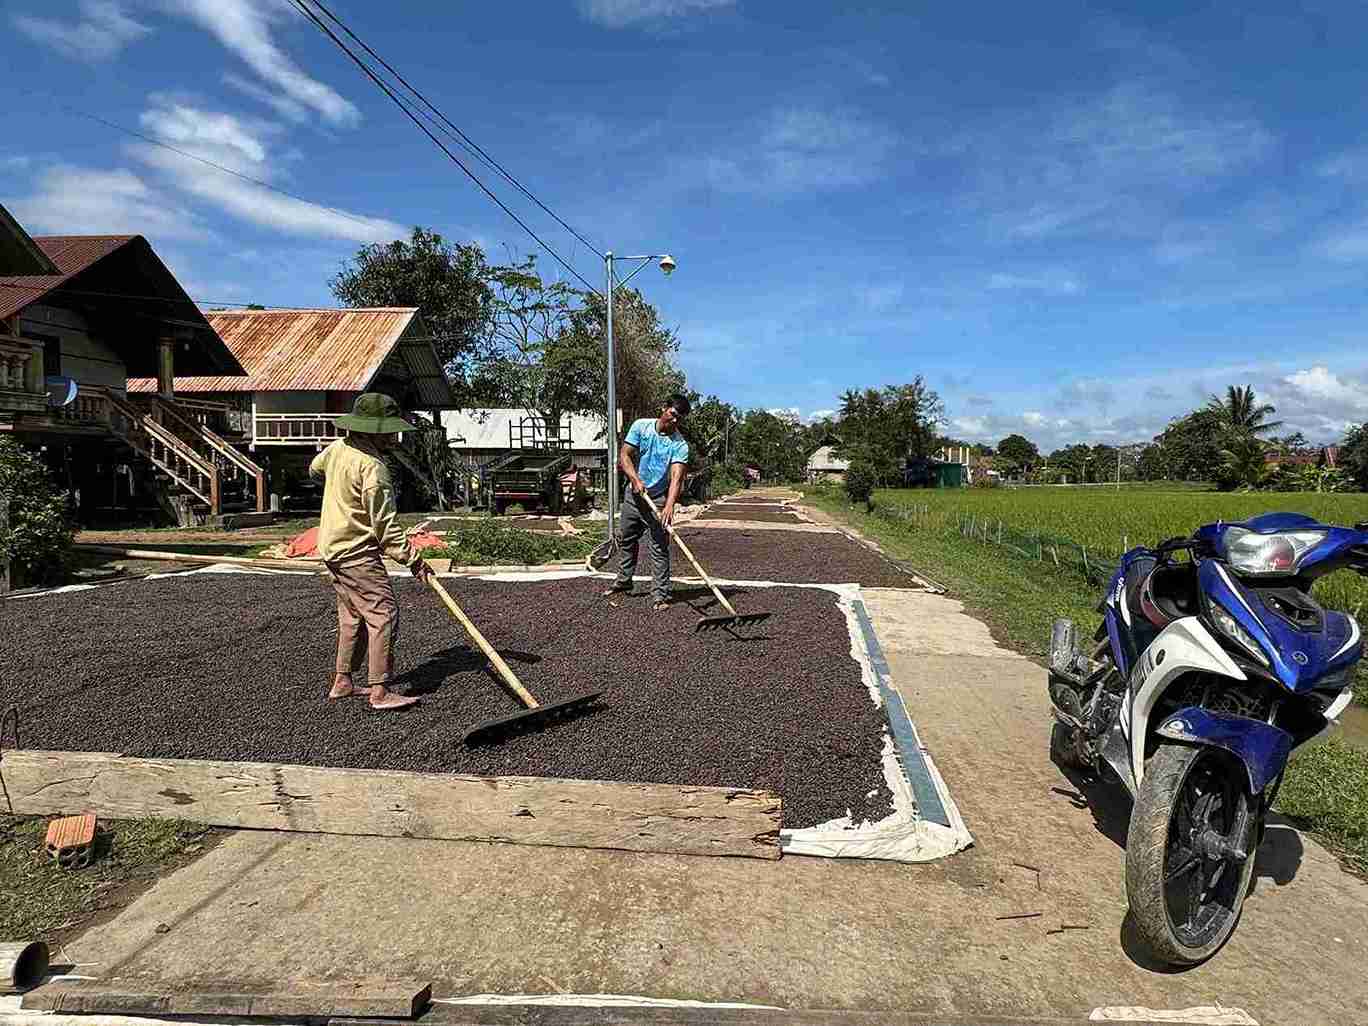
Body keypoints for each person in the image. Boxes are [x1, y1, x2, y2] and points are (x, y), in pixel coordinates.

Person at [309, 393, 432, 711]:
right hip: (356, 553)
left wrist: (340, 491)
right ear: (373, 431)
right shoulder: (373, 469)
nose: (393, 437)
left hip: (333, 549)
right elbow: (385, 527)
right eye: (389, 431)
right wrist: (414, 560)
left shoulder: (338, 448)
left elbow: (314, 470)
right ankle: (380, 691)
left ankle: (343, 681)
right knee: (383, 614)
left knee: (353, 616)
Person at [603, 394, 691, 610]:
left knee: (659, 547)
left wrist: (669, 505)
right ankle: (624, 582)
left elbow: (677, 478)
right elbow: (624, 455)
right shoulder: (641, 427)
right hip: (634, 496)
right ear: (663, 408)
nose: (675, 420)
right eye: (672, 414)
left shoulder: (680, 445)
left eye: (679, 418)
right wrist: (635, 479)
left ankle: (660, 595)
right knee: (626, 539)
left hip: (658, 499)